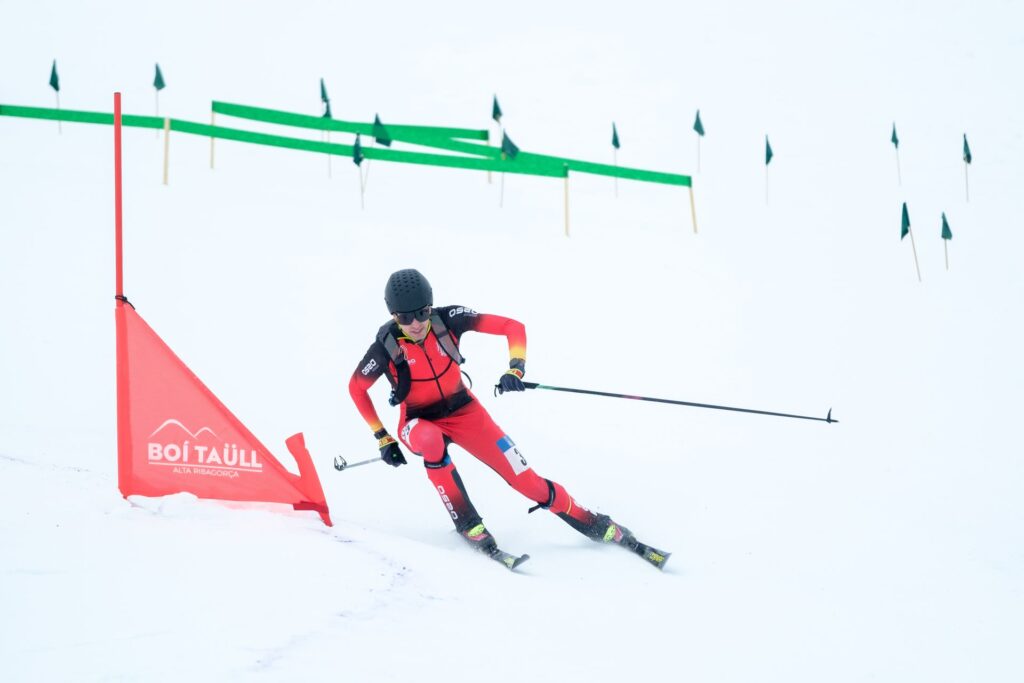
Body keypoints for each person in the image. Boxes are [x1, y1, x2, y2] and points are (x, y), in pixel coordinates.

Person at [348, 268, 647, 561]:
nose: (414, 323)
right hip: (417, 421)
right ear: (392, 315)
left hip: (465, 411)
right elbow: (356, 389)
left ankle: (594, 522)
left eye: (422, 313)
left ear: (431, 307)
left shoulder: (449, 320)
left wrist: (515, 367)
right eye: (404, 317)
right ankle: (468, 523)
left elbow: (512, 327)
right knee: (431, 440)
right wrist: (382, 436)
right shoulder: (385, 347)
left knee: (527, 481)